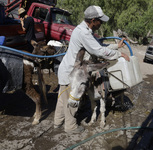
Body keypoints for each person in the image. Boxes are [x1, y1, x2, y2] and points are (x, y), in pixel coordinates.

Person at [54, 5, 130, 133]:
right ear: (93, 20)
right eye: (100, 21)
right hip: (73, 74)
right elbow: (99, 51)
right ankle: (70, 127)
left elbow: (98, 45)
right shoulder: (84, 33)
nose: (101, 23)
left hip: (67, 69)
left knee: (62, 98)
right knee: (72, 100)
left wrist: (116, 46)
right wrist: (119, 54)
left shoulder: (84, 30)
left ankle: (57, 122)